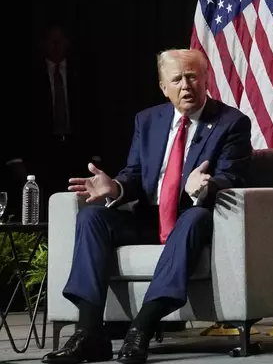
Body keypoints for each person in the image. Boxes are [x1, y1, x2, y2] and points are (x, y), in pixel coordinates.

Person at [42, 49, 252, 364]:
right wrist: (116, 187)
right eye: (177, 79)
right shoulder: (149, 120)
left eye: (193, 77)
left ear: (206, 79)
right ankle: (89, 333)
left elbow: (231, 175)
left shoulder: (231, 123)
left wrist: (205, 187)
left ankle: (141, 327)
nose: (186, 86)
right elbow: (136, 174)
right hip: (148, 219)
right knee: (92, 218)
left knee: (194, 217)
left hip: (192, 219)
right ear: (163, 86)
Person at [3, 23, 100, 220]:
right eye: (52, 40)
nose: (57, 45)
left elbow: (94, 115)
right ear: (43, 44)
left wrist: (96, 156)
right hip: (39, 151)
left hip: (75, 151)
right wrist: (15, 159)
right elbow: (13, 117)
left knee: (74, 207)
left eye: (61, 40)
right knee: (40, 208)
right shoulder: (26, 75)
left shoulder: (81, 74)